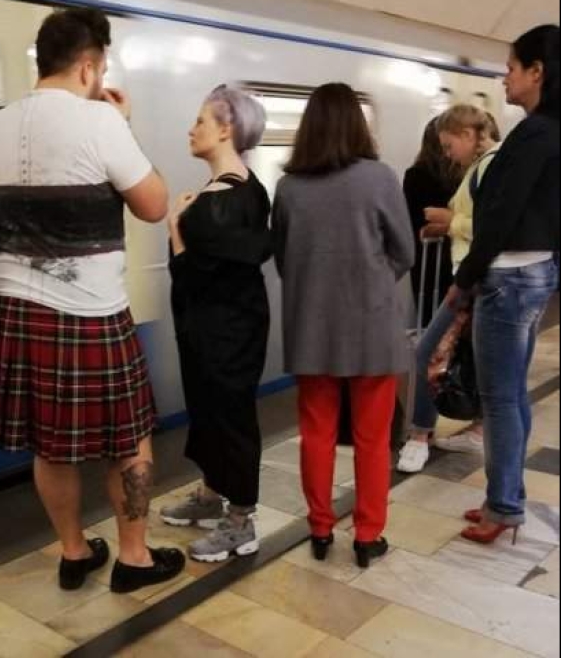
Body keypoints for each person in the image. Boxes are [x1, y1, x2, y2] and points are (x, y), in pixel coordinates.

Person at [0, 7, 185, 593]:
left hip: (16, 308)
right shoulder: (99, 123)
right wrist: (122, 124)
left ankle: (73, 553)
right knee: (130, 438)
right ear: (90, 66)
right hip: (89, 310)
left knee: (50, 443)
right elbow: (152, 204)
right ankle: (134, 558)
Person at [272, 83, 415, 568]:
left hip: (312, 330)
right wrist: (370, 281)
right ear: (357, 124)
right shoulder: (379, 178)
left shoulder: (288, 187)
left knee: (316, 432)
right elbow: (405, 252)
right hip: (372, 330)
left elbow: (285, 259)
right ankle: (368, 535)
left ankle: (319, 528)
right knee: (374, 438)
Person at [447, 25, 560, 545]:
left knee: (499, 397)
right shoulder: (549, 129)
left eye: (512, 67)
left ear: (538, 72)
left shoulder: (537, 132)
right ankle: (505, 497)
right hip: (534, 271)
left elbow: (501, 211)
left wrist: (464, 281)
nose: (505, 77)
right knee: (510, 395)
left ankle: (504, 506)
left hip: (510, 278)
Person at [160, 85, 271, 563]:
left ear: (227, 130)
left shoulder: (209, 206)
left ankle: (241, 521)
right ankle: (211, 495)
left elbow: (192, 280)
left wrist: (175, 231)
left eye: (201, 121)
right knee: (215, 411)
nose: (192, 128)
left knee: (228, 417)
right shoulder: (251, 190)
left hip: (219, 331)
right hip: (233, 327)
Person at [397, 106, 501, 473]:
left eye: (449, 143)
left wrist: (449, 221)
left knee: (430, 352)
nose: (446, 153)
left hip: (473, 280)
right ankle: (455, 432)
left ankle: (420, 435)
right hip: (468, 278)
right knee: (455, 355)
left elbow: (495, 226)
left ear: (469, 134)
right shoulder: (481, 166)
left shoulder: (491, 165)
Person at [403, 119, 462, 326]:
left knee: (428, 317)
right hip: (456, 255)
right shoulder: (461, 176)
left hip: (424, 259)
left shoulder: (414, 175)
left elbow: (411, 221)